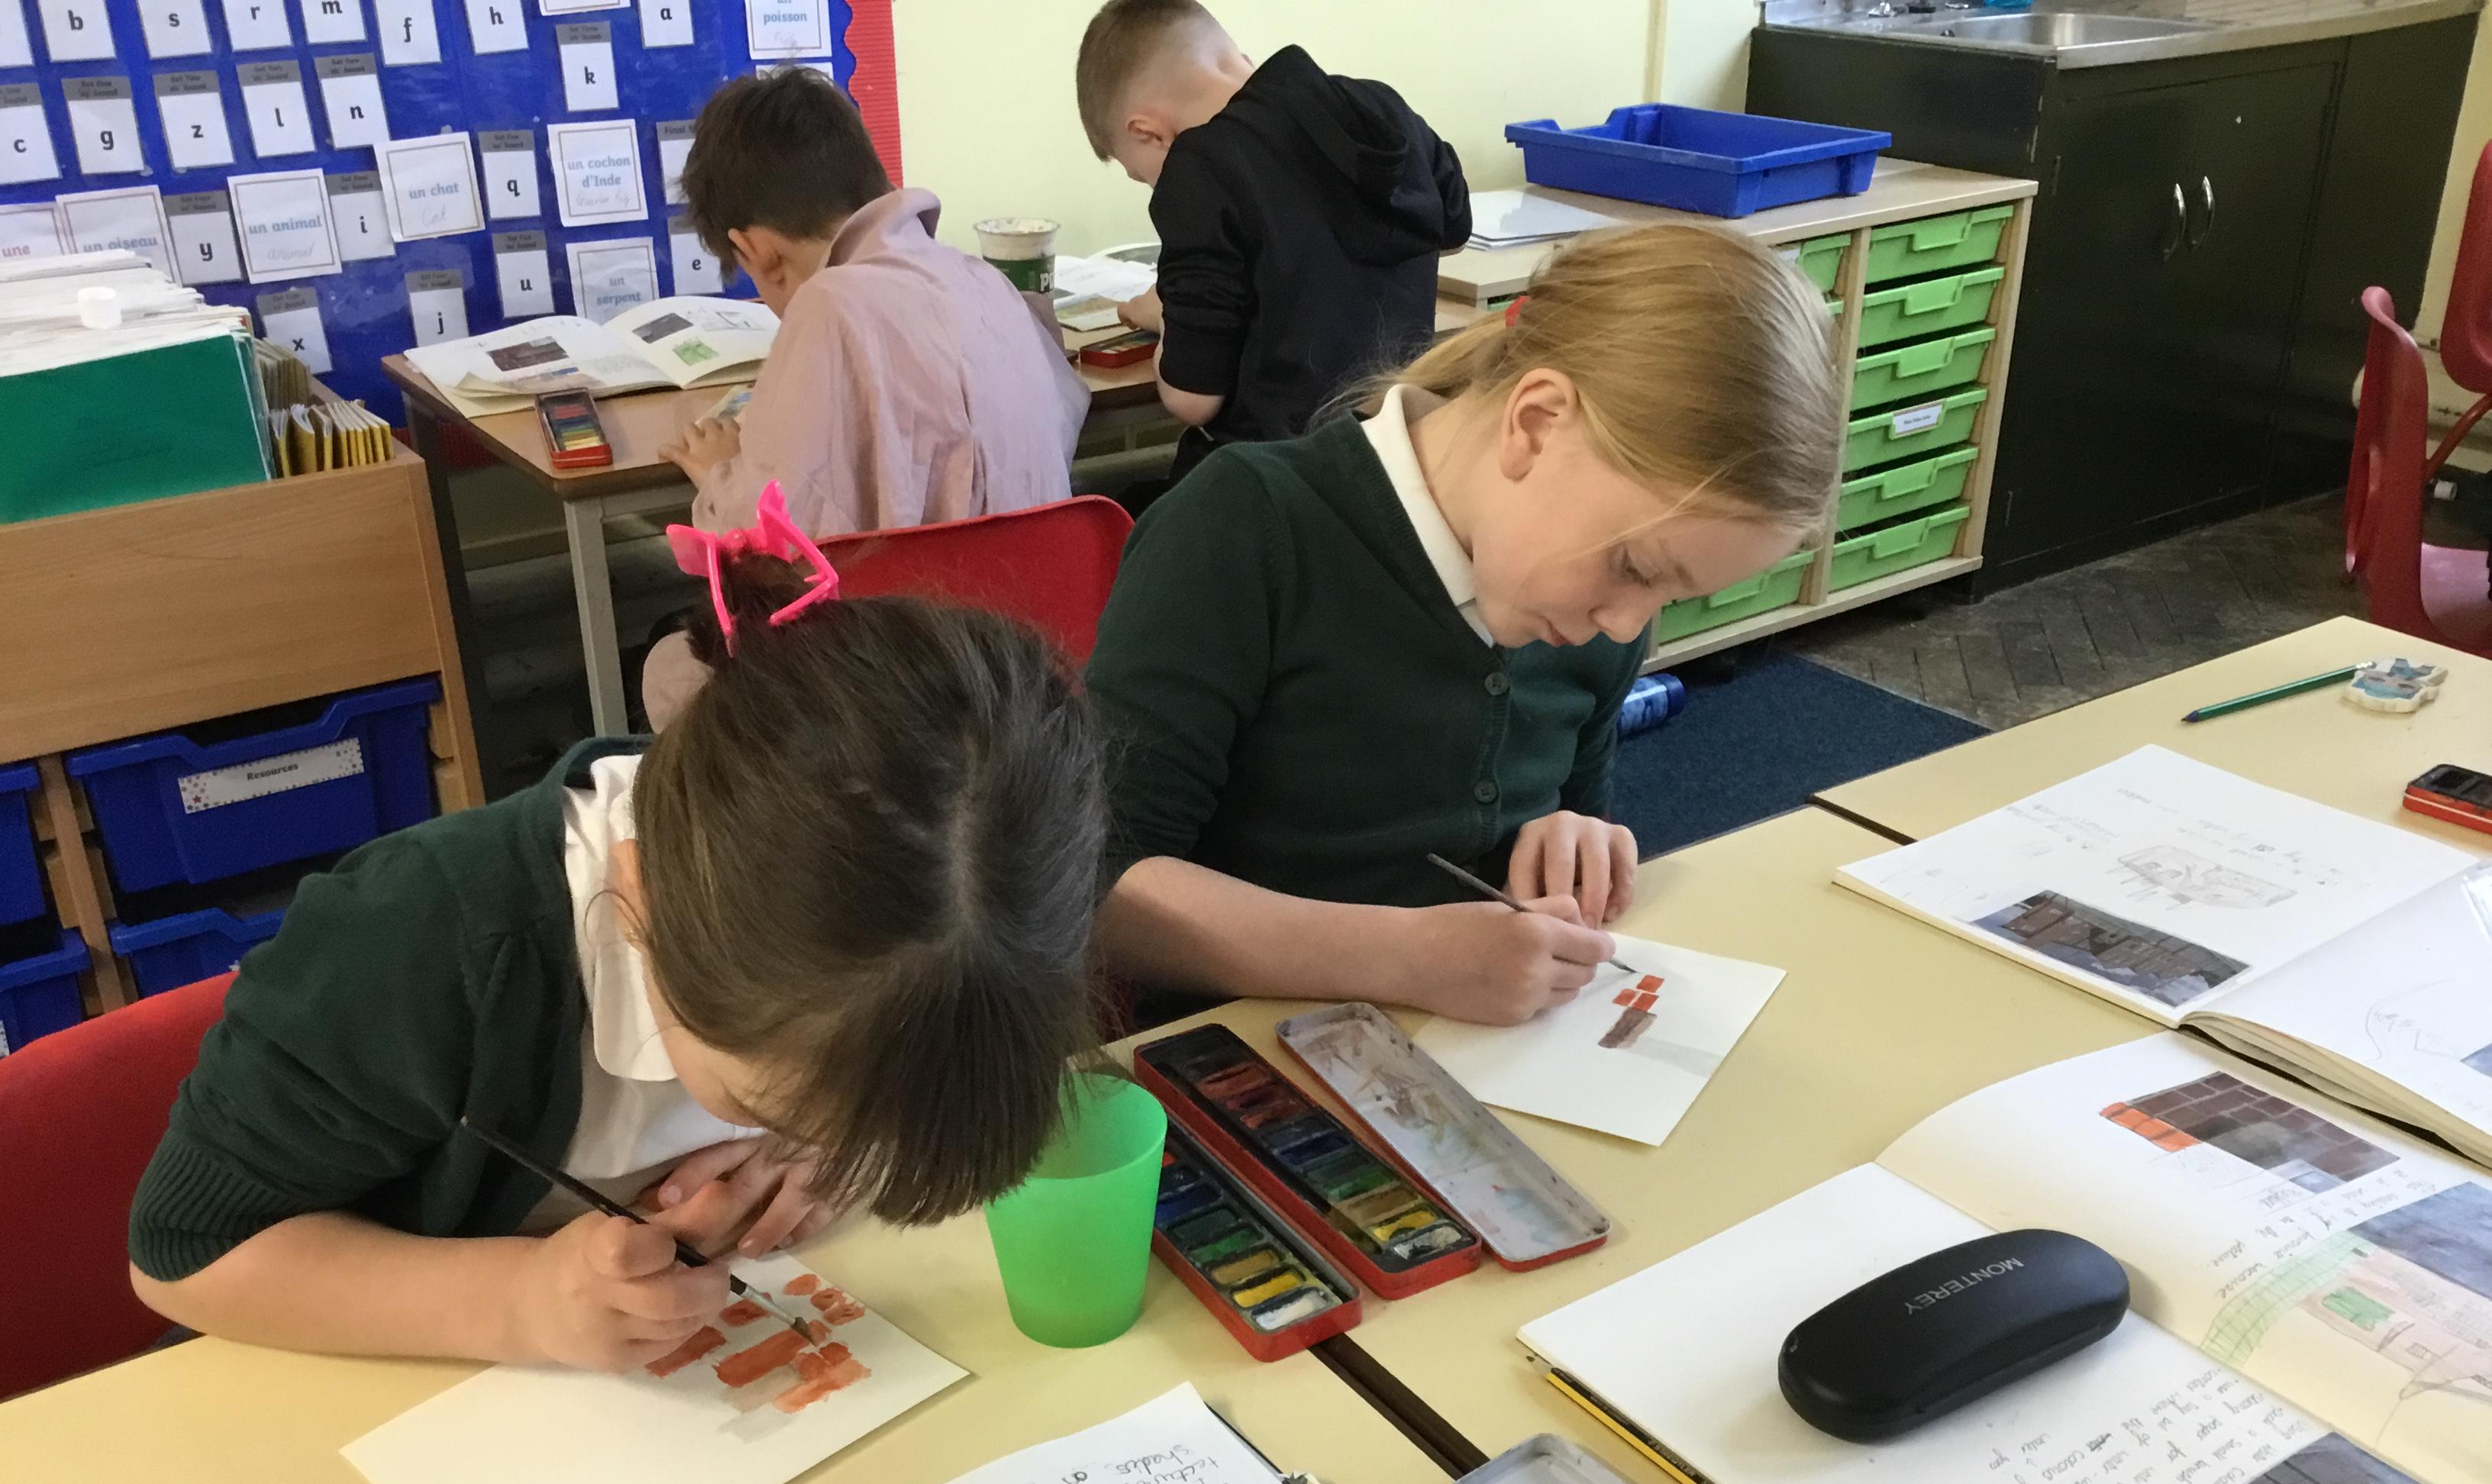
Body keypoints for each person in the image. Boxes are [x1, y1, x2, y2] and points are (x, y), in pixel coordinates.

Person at [130, 486, 1109, 1372]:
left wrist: (826, 1151)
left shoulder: (970, 894)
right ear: (636, 902)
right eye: (765, 1104)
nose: (824, 1137)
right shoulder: (417, 946)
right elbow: (185, 1253)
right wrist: (518, 1305)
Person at [1084, 223, 1845, 1027]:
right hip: (1249, 1052)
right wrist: (1408, 958)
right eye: (1634, 566)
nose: (1627, 628)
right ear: (1536, 424)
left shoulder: (1588, 619)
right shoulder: (1244, 528)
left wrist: (1567, 840)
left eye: (1670, 598)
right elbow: (1095, 891)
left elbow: (1554, 829)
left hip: (1485, 1052)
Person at [645, 67, 1089, 727]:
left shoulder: (827, 306)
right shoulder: (985, 281)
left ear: (758, 252)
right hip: (1035, 672)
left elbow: (768, 547)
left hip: (900, 696)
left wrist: (718, 477)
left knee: (670, 668)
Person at [1074, 0, 1469, 484]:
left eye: (1142, 175)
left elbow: (1191, 399)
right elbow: (1452, 232)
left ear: (1149, 132)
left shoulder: (1199, 166)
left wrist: (1166, 316)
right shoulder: (1380, 106)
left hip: (1279, 483)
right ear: (1240, 59)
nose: (1155, 184)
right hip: (1402, 467)